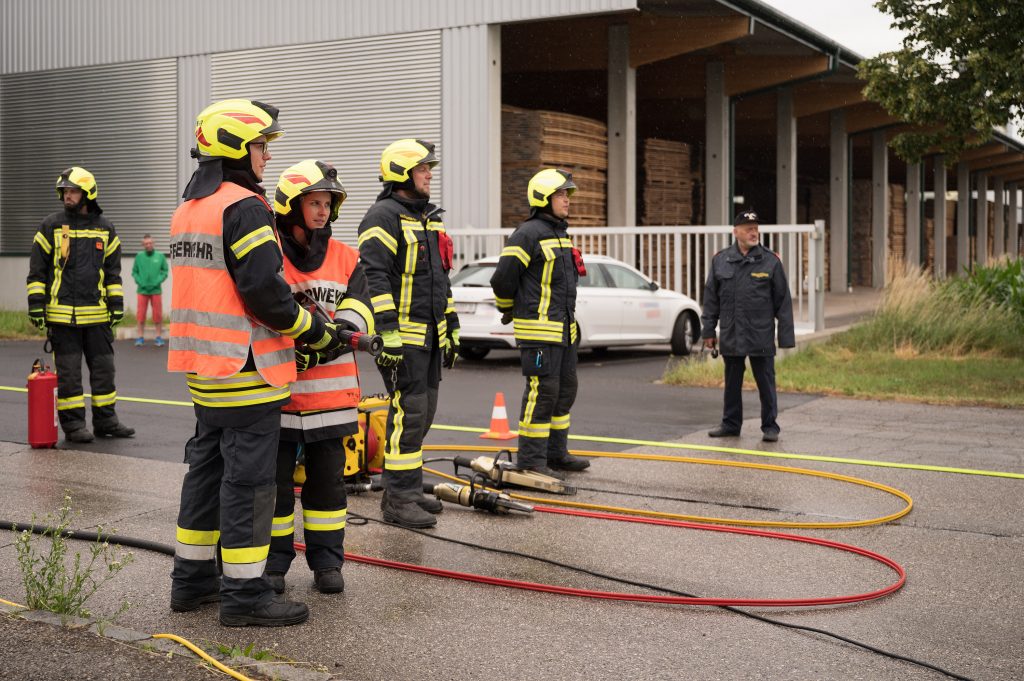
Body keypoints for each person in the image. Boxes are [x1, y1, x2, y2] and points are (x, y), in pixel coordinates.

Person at [167, 99, 347, 628]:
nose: (267, 156)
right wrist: (314, 330)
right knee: (249, 486)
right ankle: (245, 597)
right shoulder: (243, 206)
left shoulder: (189, 207)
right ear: (236, 148)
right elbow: (266, 294)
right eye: (261, 145)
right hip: (248, 371)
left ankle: (191, 583)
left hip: (205, 371)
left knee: (205, 475)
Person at [265, 159, 373, 595]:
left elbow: (359, 312)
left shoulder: (347, 257)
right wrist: (299, 345)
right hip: (280, 397)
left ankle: (327, 563)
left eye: (328, 203)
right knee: (274, 491)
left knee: (328, 488)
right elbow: (261, 309)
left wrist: (324, 344)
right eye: (314, 202)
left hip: (331, 400)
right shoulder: (268, 253)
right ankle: (273, 565)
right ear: (292, 206)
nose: (323, 211)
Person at [357, 139, 459, 529]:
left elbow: (440, 278)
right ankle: (397, 500)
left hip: (428, 337)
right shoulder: (382, 217)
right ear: (402, 173)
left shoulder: (430, 218)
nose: (429, 174)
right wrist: (387, 331)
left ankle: (410, 490)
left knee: (422, 414)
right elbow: (375, 277)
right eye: (422, 169)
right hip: (402, 339)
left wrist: (451, 325)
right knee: (409, 414)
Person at [490, 168, 590, 477]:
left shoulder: (560, 234)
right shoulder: (527, 234)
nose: (567, 199)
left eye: (567, 194)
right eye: (560, 194)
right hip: (539, 334)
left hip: (563, 332)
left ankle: (555, 454)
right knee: (542, 392)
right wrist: (509, 308)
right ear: (543, 198)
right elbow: (502, 280)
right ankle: (532, 460)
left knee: (565, 390)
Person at [26, 167, 135, 444]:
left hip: (97, 317)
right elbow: (37, 271)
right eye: (64, 191)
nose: (67, 196)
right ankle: (74, 426)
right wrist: (36, 304)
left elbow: (112, 273)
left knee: (104, 371)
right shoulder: (51, 226)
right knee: (70, 375)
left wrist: (117, 304)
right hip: (63, 318)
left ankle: (106, 420)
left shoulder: (106, 229)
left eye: (73, 191)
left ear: (88, 193)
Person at [701, 210, 795, 443]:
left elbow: (783, 302)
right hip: (732, 333)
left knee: (766, 381)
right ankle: (731, 424)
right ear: (736, 232)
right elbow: (711, 299)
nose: (754, 233)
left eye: (756, 229)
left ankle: (770, 426)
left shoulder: (770, 261)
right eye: (748, 229)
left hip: (760, 334)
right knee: (732, 383)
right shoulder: (720, 260)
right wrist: (708, 331)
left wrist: (786, 338)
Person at [131, 234, 168, 347]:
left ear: (153, 243)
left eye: (150, 243)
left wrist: (157, 281)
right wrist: (140, 282)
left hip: (156, 291)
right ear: (143, 245)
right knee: (141, 315)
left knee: (157, 315)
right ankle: (140, 337)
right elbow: (134, 272)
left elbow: (165, 272)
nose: (148, 245)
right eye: (146, 243)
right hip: (142, 291)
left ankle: (158, 337)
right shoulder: (139, 257)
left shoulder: (160, 256)